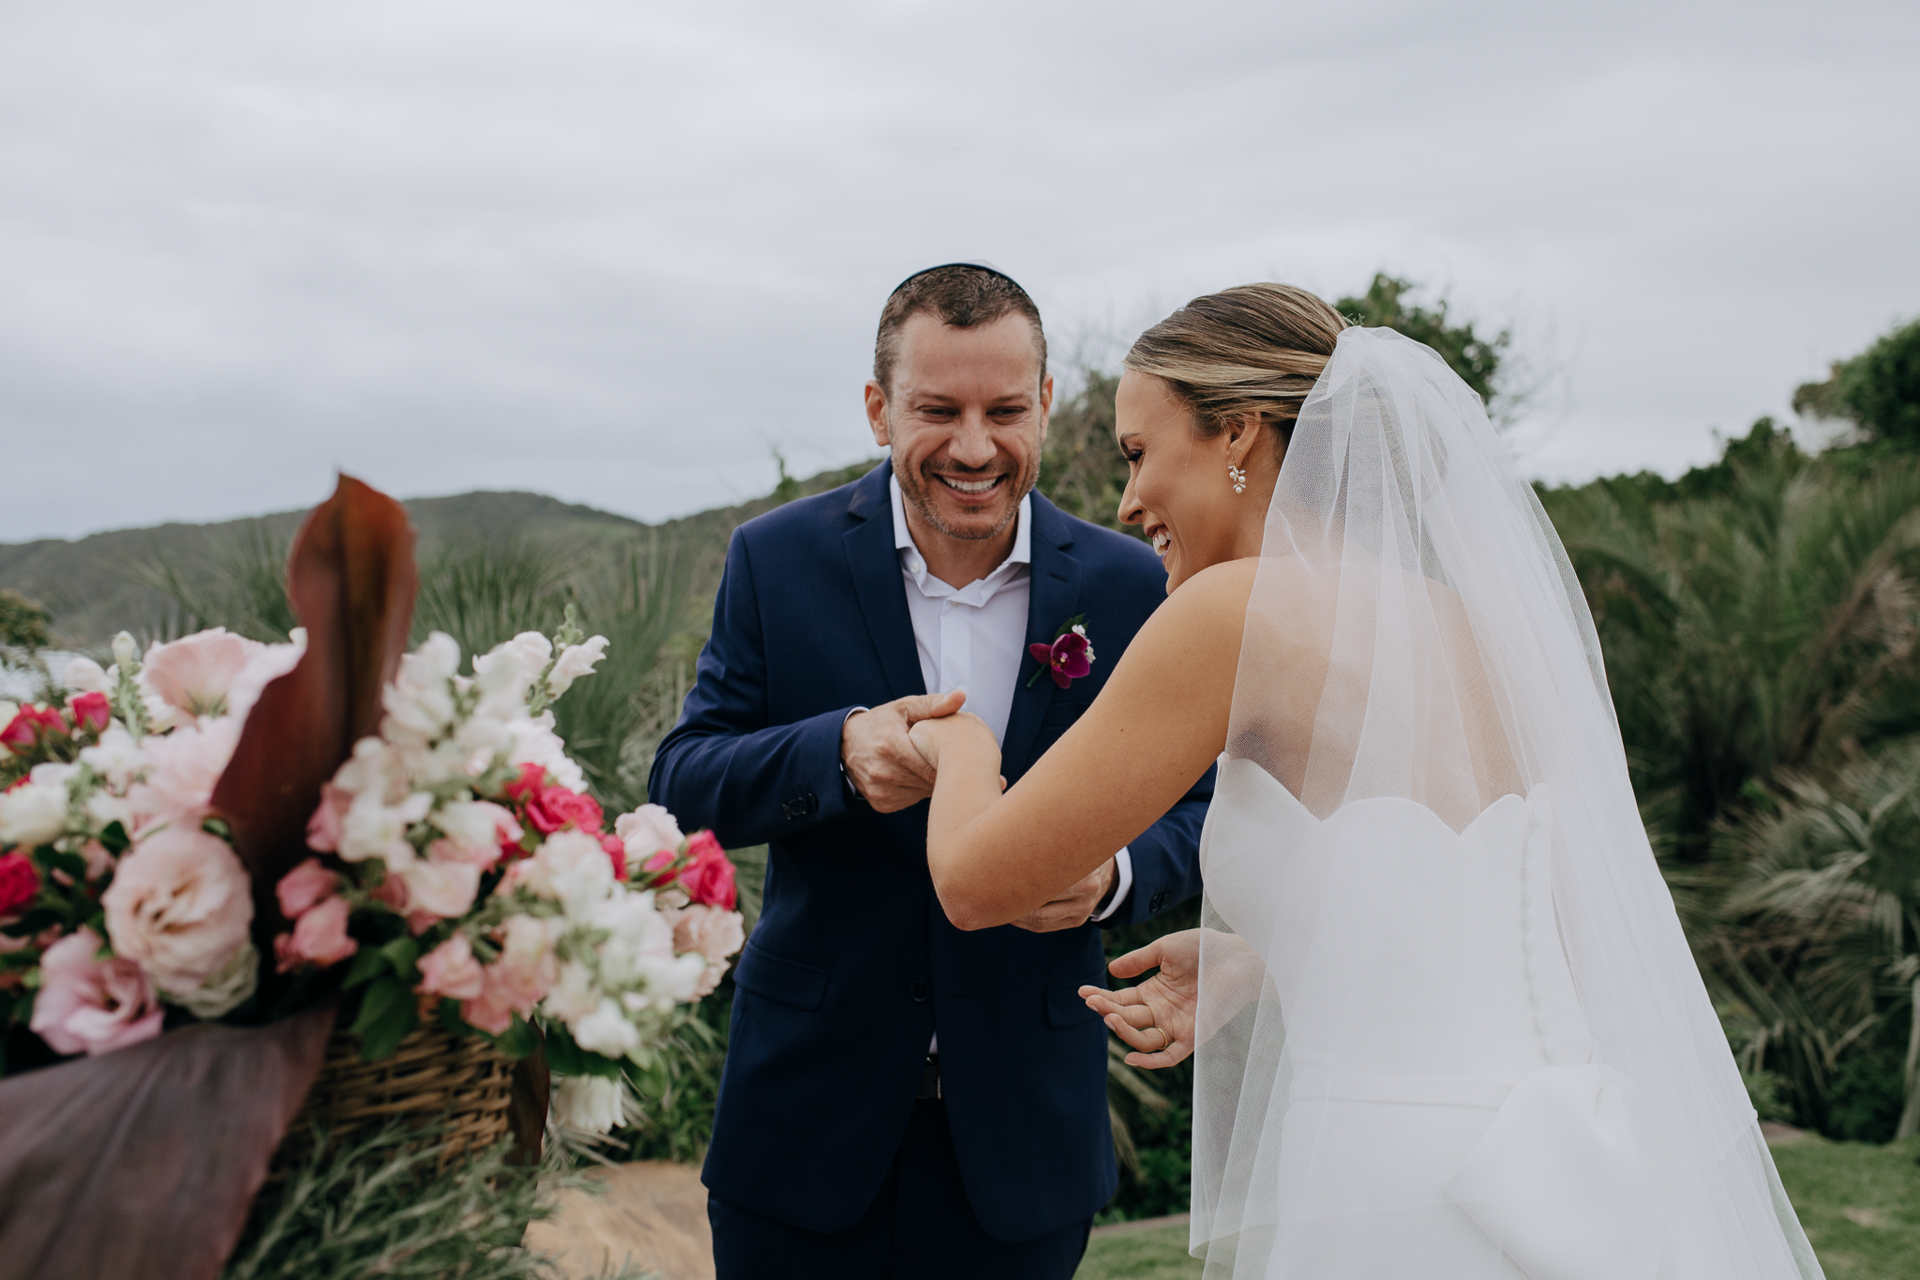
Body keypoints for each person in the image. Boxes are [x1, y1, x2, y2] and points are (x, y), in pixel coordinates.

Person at [909, 284, 1825, 1279]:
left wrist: (955, 748)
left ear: (1239, 436)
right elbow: (1512, 913)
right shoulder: (1487, 631)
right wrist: (1272, 958)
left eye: (1138, 451)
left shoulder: (1232, 614)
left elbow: (975, 880)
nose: (1127, 501)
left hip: (1392, 1185)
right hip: (1572, 1164)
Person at [648, 263, 1210, 1280]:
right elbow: (683, 778)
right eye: (937, 409)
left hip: (1023, 1135)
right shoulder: (775, 559)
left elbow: (1205, 805)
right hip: (805, 1122)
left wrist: (1115, 871)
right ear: (878, 409)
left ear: (1044, 404)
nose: (973, 446)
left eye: (1004, 409)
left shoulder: (1134, 583)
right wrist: (839, 753)